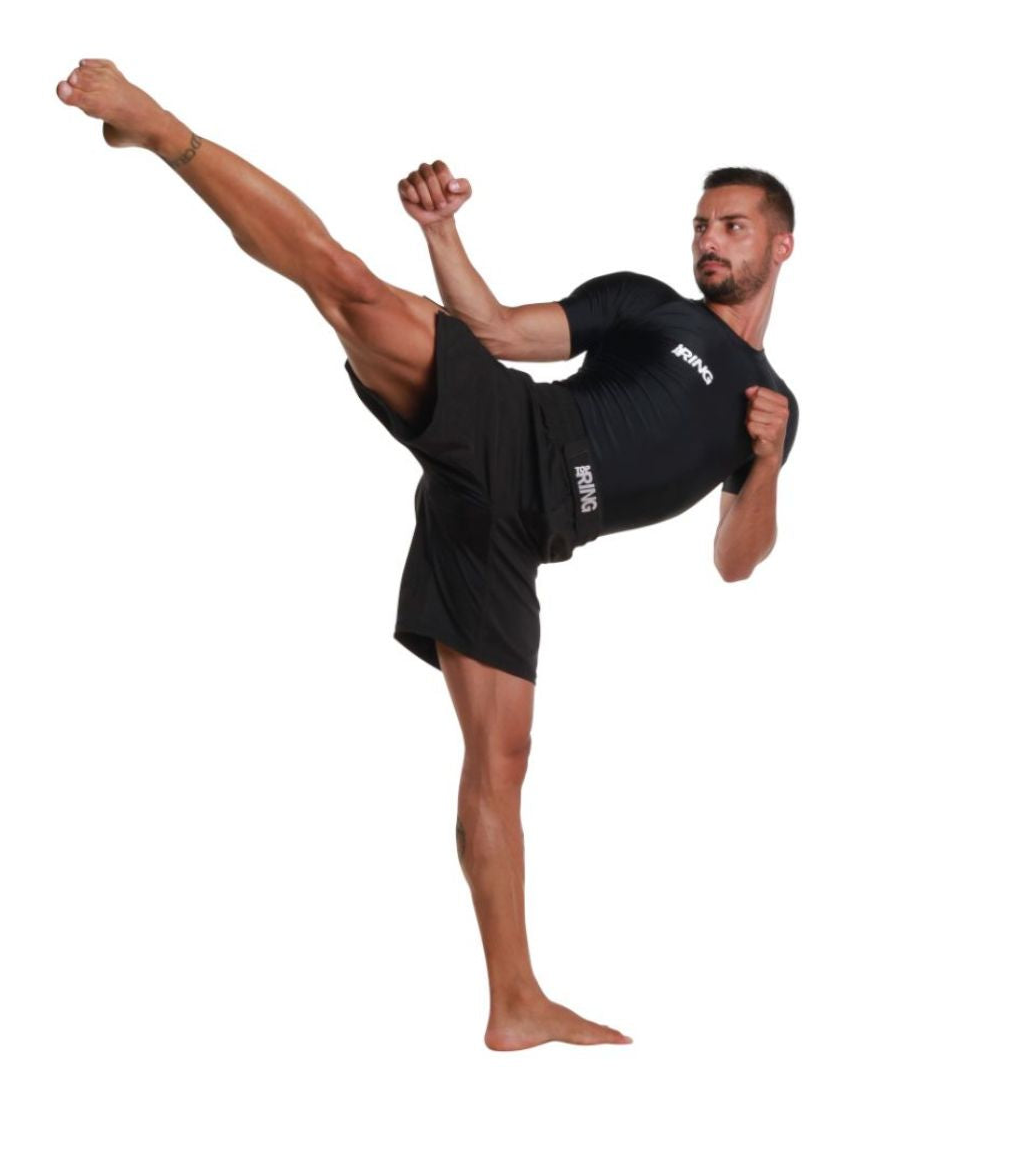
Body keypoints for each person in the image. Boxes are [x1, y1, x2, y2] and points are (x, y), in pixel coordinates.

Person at [56, 58, 798, 1051]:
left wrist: (768, 459)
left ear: (780, 245)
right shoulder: (647, 307)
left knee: (502, 760)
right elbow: (496, 332)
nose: (709, 240)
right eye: (702, 224)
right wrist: (443, 234)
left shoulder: (772, 408)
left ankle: (516, 1004)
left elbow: (736, 560)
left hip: (514, 534)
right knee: (348, 286)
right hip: (514, 432)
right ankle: (159, 127)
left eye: (733, 227)